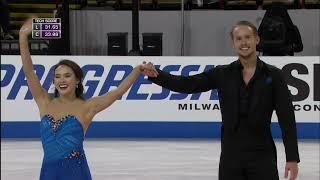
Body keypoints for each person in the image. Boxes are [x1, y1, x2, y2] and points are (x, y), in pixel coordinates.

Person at [142, 20, 300, 180]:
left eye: (248, 37)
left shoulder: (274, 75)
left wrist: (292, 158)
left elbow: (287, 118)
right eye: (238, 38)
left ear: (257, 40)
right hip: (231, 156)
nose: (244, 42)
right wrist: (158, 76)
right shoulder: (223, 74)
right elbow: (188, 84)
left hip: (262, 154)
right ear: (233, 43)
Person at [19, 17, 146, 180]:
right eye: (57, 76)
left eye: (67, 76)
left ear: (77, 80)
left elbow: (117, 92)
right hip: (49, 174)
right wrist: (23, 36)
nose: (62, 80)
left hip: (76, 174)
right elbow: (29, 72)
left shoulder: (87, 107)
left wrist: (138, 69)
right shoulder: (45, 102)